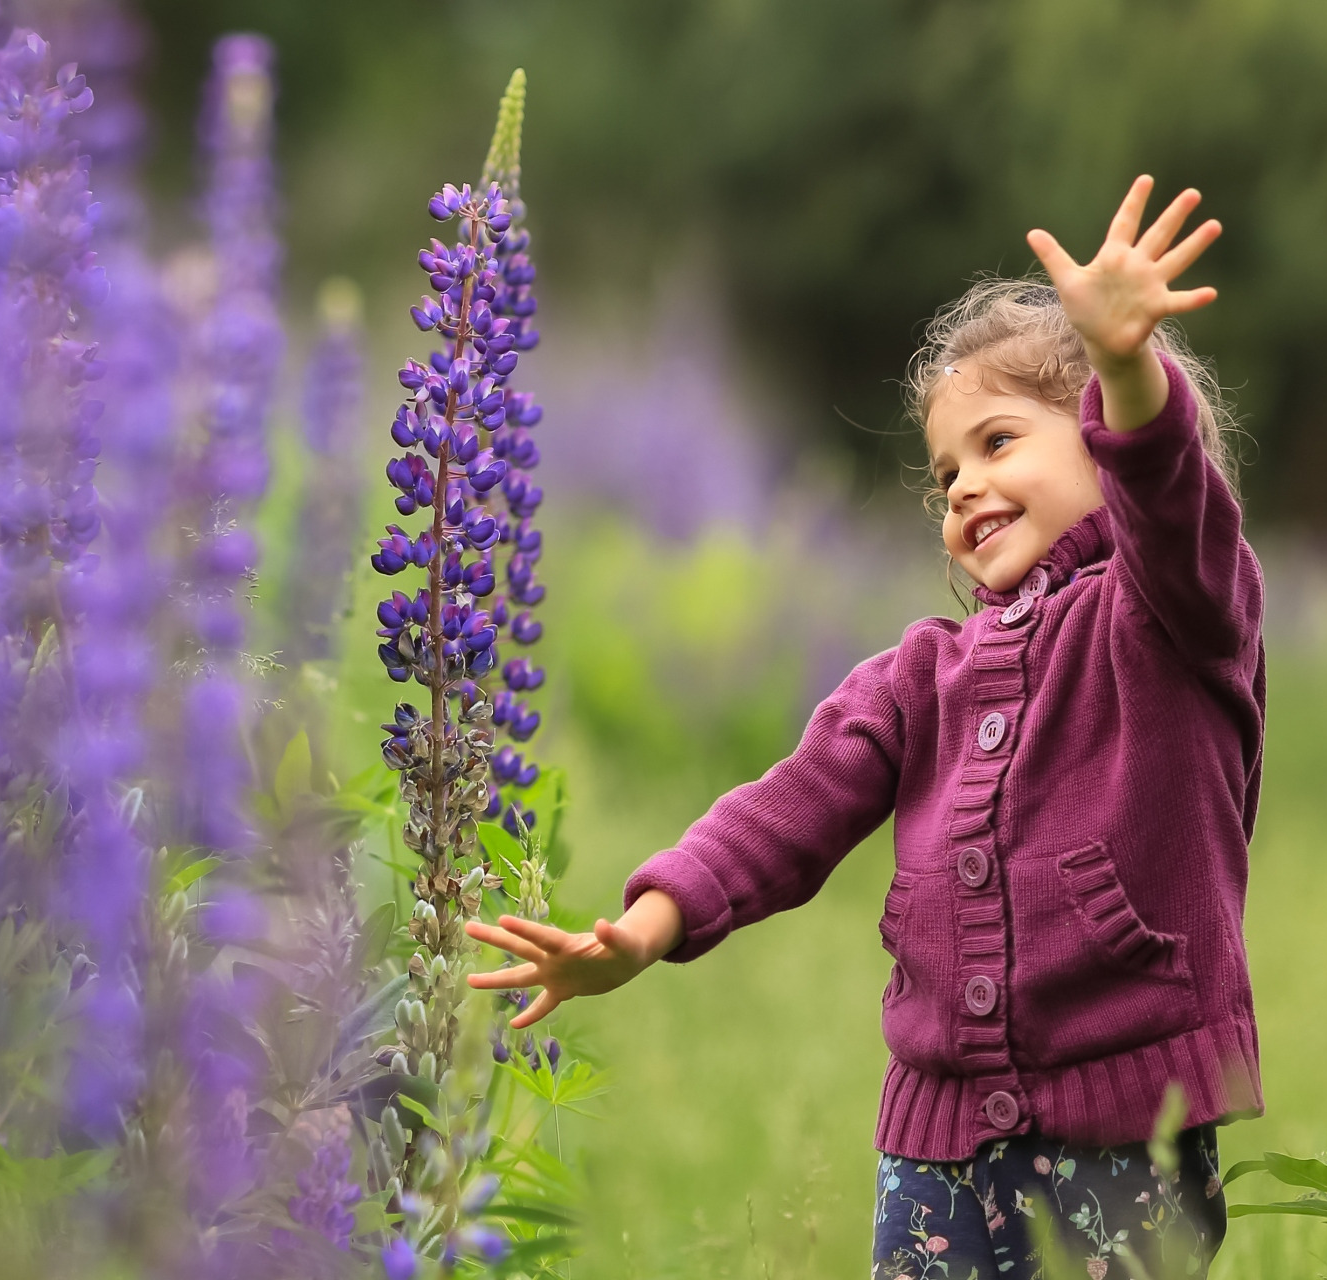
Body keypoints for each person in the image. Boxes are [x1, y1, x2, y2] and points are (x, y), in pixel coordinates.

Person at [466, 175, 1264, 1279]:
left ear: (1098, 441)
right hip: (931, 1143)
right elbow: (781, 814)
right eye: (944, 471)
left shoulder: (1170, 620)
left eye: (996, 441)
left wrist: (1127, 367)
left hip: (1123, 1130)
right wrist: (644, 928)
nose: (964, 487)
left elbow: (1172, 508)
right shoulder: (918, 674)